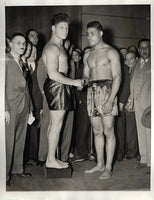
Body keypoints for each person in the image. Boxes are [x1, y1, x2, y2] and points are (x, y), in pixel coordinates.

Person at [41, 13, 83, 169]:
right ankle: (51, 160)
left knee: (55, 125)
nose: (65, 30)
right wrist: (73, 82)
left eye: (67, 27)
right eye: (61, 27)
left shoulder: (60, 46)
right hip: (56, 85)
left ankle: (52, 158)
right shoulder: (52, 48)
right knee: (56, 125)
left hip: (60, 85)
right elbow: (53, 73)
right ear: (53, 28)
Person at [83, 21, 121, 179]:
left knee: (108, 131)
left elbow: (117, 77)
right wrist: (83, 81)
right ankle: (99, 164)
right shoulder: (88, 54)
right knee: (97, 131)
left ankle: (108, 167)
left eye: (92, 33)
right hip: (91, 92)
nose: (89, 37)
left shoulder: (111, 52)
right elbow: (86, 75)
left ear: (100, 33)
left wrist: (111, 99)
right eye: (87, 34)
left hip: (107, 91)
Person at [5, 33, 33, 185]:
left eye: (24, 43)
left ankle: (17, 169)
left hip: (24, 106)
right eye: (18, 43)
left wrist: (31, 107)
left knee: (19, 139)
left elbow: (26, 88)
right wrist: (4, 109)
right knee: (7, 141)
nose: (22, 45)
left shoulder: (22, 62)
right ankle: (4, 175)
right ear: (11, 44)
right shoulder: (5, 60)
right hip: (10, 107)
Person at [130, 39, 151, 170]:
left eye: (147, 48)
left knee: (150, 132)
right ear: (138, 50)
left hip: (149, 103)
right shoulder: (138, 63)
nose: (144, 50)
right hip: (137, 102)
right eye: (141, 48)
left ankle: (151, 162)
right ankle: (144, 158)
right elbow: (133, 82)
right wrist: (131, 100)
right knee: (140, 130)